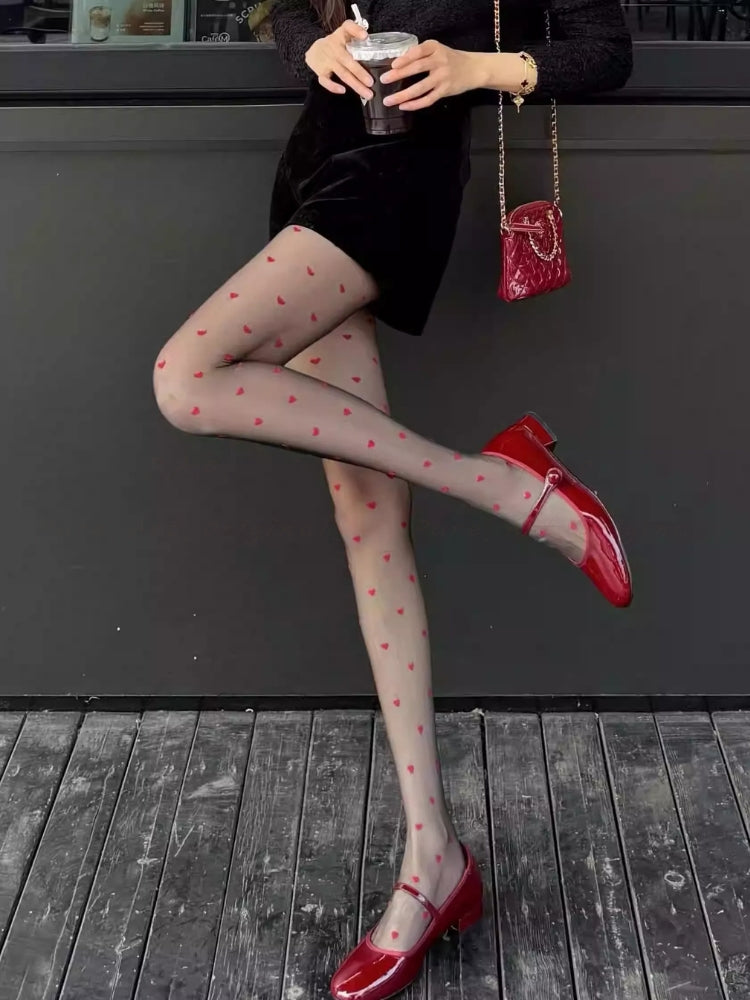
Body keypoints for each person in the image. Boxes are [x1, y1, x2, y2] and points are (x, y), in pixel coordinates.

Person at [152, 0, 633, 996]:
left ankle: (508, 484)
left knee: (185, 379)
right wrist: (315, 47)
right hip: (313, 171)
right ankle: (434, 860)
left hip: (394, 181)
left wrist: (472, 69)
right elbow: (284, 10)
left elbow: (605, 51)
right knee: (368, 520)